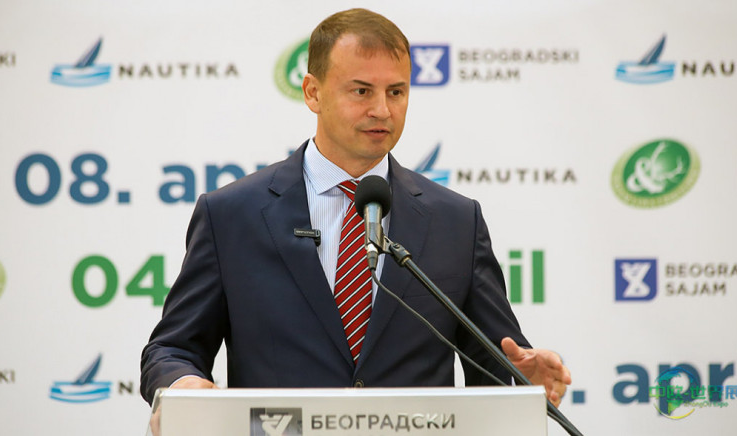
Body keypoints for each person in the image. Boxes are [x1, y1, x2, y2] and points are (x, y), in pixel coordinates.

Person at [140, 7, 571, 411]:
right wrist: (183, 385)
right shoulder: (231, 215)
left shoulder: (456, 221)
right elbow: (172, 349)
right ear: (313, 92)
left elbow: (495, 362)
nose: (382, 110)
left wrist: (522, 381)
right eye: (361, 90)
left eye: (396, 92)